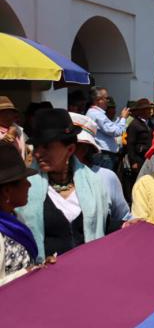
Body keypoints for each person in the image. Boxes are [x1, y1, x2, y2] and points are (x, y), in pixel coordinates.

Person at [16, 109, 108, 262]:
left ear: (70, 149)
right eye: (36, 146)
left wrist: (125, 224)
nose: (37, 153)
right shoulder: (25, 187)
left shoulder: (94, 183)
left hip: (89, 269)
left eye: (46, 147)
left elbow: (105, 223)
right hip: (45, 275)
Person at [69, 113, 131, 233]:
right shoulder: (43, 182)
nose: (67, 152)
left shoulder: (106, 177)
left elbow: (123, 217)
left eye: (73, 147)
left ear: (86, 148)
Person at [0, 144, 38, 285]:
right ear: (7, 191)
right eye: (24, 181)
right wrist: (26, 273)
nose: (29, 185)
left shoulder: (13, 219)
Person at [86, 87, 129, 171]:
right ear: (99, 100)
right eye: (106, 98)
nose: (108, 101)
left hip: (104, 154)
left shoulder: (95, 113)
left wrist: (120, 119)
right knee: (105, 178)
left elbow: (111, 128)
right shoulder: (97, 114)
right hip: (104, 155)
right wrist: (124, 118)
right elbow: (117, 131)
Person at [0, 96, 25, 160]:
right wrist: (9, 137)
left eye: (10, 112)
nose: (8, 116)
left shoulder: (18, 129)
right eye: (3, 113)